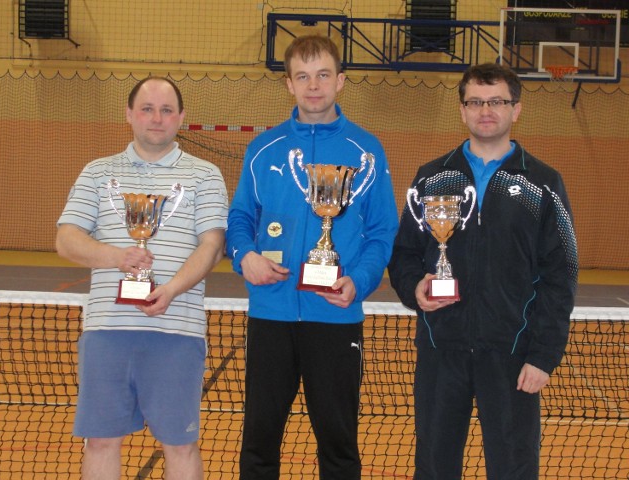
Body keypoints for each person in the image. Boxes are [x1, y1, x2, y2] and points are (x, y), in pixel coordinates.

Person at [388, 63, 578, 479]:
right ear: (462, 110)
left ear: (516, 109)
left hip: (512, 355)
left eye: (496, 101)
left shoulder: (544, 184)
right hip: (442, 350)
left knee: (513, 467)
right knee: (434, 467)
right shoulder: (431, 177)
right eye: (475, 101)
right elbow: (403, 254)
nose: (485, 110)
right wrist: (413, 287)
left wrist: (543, 356)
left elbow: (560, 275)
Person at [227, 34, 398, 479]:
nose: (313, 86)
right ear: (289, 84)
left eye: (323, 75)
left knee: (338, 445)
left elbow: (383, 231)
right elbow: (240, 217)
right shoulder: (262, 149)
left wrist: (358, 281)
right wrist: (244, 256)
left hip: (336, 318)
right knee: (259, 440)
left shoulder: (366, 150)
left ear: (340, 81)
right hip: (271, 316)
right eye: (302, 77)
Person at [56, 76, 228, 480]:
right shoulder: (97, 173)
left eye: (167, 110)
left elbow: (212, 246)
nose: (157, 118)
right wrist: (117, 257)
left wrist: (171, 289)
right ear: (129, 114)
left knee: (181, 445)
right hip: (106, 330)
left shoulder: (206, 175)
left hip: (177, 332)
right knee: (100, 442)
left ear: (181, 117)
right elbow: (66, 238)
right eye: (147, 109)